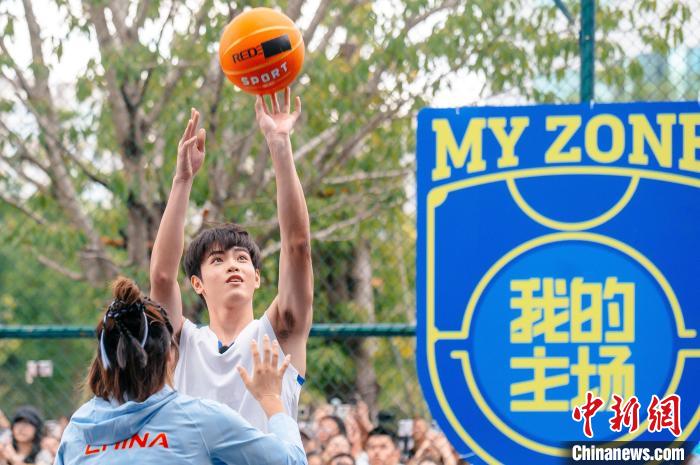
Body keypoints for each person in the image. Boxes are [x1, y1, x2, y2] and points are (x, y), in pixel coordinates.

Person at [150, 88, 313, 432]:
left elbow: (297, 244)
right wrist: (182, 180)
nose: (234, 265)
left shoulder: (278, 335)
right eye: (218, 260)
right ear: (197, 283)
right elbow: (162, 277)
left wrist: (279, 144)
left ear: (257, 277)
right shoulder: (183, 345)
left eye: (242, 258)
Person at [54, 277, 306, 464]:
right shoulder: (198, 419)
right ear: (170, 356)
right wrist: (271, 398)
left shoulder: (78, 428)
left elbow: (162, 277)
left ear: (103, 358)